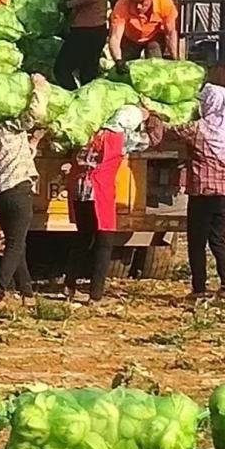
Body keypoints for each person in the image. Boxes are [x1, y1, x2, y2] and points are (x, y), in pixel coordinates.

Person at [65, 106, 152, 303]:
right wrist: (148, 118)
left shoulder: (88, 132)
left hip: (79, 191)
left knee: (82, 238)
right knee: (104, 243)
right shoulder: (121, 138)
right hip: (100, 192)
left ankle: (69, 286)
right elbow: (147, 142)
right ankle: (95, 294)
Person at [0, 74, 48, 302]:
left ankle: (27, 292)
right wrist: (40, 88)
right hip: (18, 188)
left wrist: (32, 143)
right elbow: (37, 114)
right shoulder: (12, 126)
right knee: (15, 244)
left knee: (17, 243)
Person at [167, 83, 225, 299]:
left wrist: (151, 116)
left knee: (197, 241)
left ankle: (199, 288)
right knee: (218, 239)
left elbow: (173, 131)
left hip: (203, 193)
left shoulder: (200, 129)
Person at [108, 0, 179, 64]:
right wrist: (118, 60)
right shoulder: (122, 6)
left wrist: (176, 60)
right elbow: (115, 37)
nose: (138, 6)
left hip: (154, 37)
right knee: (126, 67)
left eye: (142, 2)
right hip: (130, 38)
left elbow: (170, 33)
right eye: (134, 2)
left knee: (155, 64)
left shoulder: (163, 2)